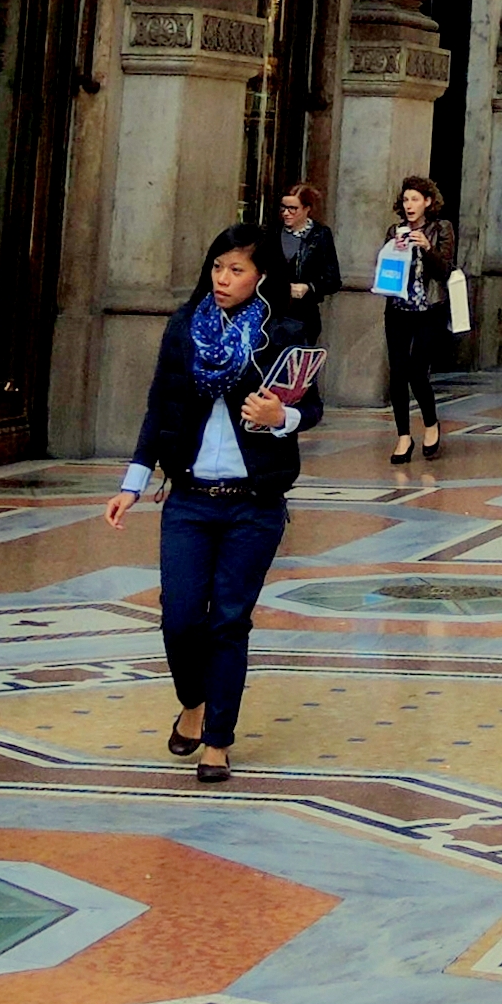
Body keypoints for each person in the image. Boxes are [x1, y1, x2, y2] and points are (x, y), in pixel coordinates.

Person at [109, 222, 322, 785]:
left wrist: (283, 419)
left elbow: (312, 406)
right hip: (190, 500)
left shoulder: (284, 331)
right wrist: (133, 482)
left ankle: (218, 742)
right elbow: (160, 404)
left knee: (228, 621)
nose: (223, 279)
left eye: (237, 270)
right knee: (180, 618)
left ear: (261, 277)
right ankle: (192, 702)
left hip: (255, 504)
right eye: (217, 267)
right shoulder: (185, 328)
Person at [379, 176, 457, 464]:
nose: (409, 205)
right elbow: (386, 267)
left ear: (427, 202)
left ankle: (431, 422)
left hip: (429, 309)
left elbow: (444, 269)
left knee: (416, 370)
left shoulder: (442, 228)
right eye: (405, 200)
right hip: (398, 308)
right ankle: (402, 436)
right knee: (397, 373)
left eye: (415, 199)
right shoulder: (394, 230)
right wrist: (394, 249)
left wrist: (426, 246)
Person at [262, 182, 342, 363]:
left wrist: (309, 287)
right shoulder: (273, 232)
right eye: (283, 208)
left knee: (297, 370)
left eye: (293, 208)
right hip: (272, 312)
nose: (286, 213)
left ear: (306, 209)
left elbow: (333, 279)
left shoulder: (320, 235)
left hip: (303, 316)